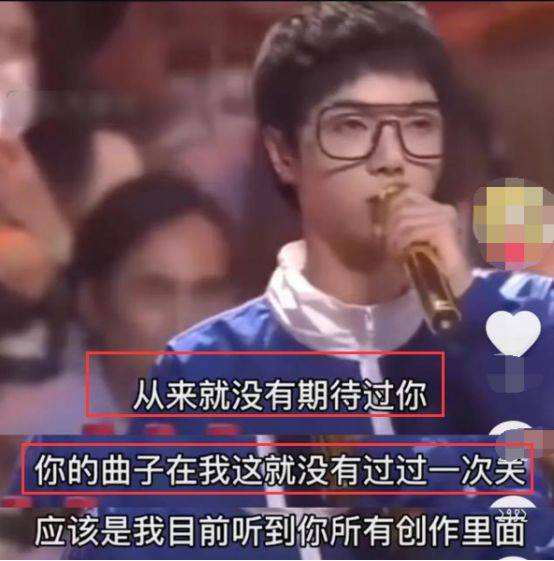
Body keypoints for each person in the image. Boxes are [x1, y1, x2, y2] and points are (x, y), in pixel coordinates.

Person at [0, 172, 236, 434]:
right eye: (155, 293)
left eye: (207, 293)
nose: (185, 324)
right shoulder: (28, 431)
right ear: (92, 304)